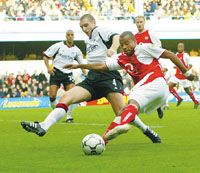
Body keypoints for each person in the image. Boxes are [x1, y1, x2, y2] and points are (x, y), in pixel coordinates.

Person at [21, 14, 160, 144]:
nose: (84, 29)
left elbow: (117, 37)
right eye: (82, 27)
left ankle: (147, 130)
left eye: (86, 25)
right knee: (66, 98)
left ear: (94, 23)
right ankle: (43, 126)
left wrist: (112, 49)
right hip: (93, 77)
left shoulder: (100, 31)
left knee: (122, 112)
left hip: (108, 76)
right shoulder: (88, 39)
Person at [64, 31, 195, 142]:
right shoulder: (121, 58)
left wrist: (186, 72)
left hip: (156, 82)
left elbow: (170, 55)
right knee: (129, 111)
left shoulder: (143, 48)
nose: (125, 47)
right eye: (122, 45)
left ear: (134, 42)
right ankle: (107, 138)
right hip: (156, 94)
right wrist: (80, 65)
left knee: (131, 101)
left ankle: (122, 125)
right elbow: (102, 66)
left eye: (127, 43)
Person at [43, 29, 86, 123]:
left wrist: (87, 75)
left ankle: (69, 117)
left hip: (68, 74)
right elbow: (46, 56)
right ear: (66, 36)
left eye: (72, 35)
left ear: (74, 36)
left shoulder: (77, 50)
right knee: (52, 96)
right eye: (68, 35)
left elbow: (81, 64)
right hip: (56, 72)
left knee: (72, 95)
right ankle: (56, 113)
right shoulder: (58, 46)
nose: (70, 36)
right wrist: (48, 68)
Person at [134, 15, 164, 119]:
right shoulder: (135, 37)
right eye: (137, 22)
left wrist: (149, 50)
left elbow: (158, 46)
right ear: (135, 23)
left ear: (144, 22)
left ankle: (158, 106)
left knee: (154, 85)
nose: (139, 24)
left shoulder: (149, 33)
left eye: (141, 22)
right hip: (141, 67)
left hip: (152, 65)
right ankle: (152, 106)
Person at [168, 43, 199, 109]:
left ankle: (196, 102)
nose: (179, 48)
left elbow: (190, 65)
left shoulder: (186, 55)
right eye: (179, 47)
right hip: (177, 75)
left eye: (181, 47)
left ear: (183, 48)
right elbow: (177, 64)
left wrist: (185, 72)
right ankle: (179, 98)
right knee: (169, 86)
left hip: (184, 77)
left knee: (187, 91)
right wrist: (176, 67)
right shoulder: (176, 54)